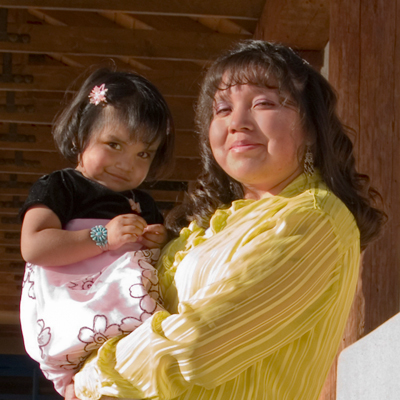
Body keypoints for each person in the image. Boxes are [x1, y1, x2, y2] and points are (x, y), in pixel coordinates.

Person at [70, 41, 386, 400]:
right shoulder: (211, 225)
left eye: (264, 103)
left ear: (311, 126)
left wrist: (90, 378)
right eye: (222, 109)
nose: (237, 123)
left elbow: (198, 344)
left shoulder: (312, 219)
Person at [19, 68, 174, 397]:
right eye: (114, 144)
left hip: (130, 331)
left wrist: (158, 241)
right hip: (74, 321)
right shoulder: (61, 186)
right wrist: (103, 237)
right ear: (80, 136)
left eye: (142, 154)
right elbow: (34, 245)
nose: (126, 163)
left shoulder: (141, 202)